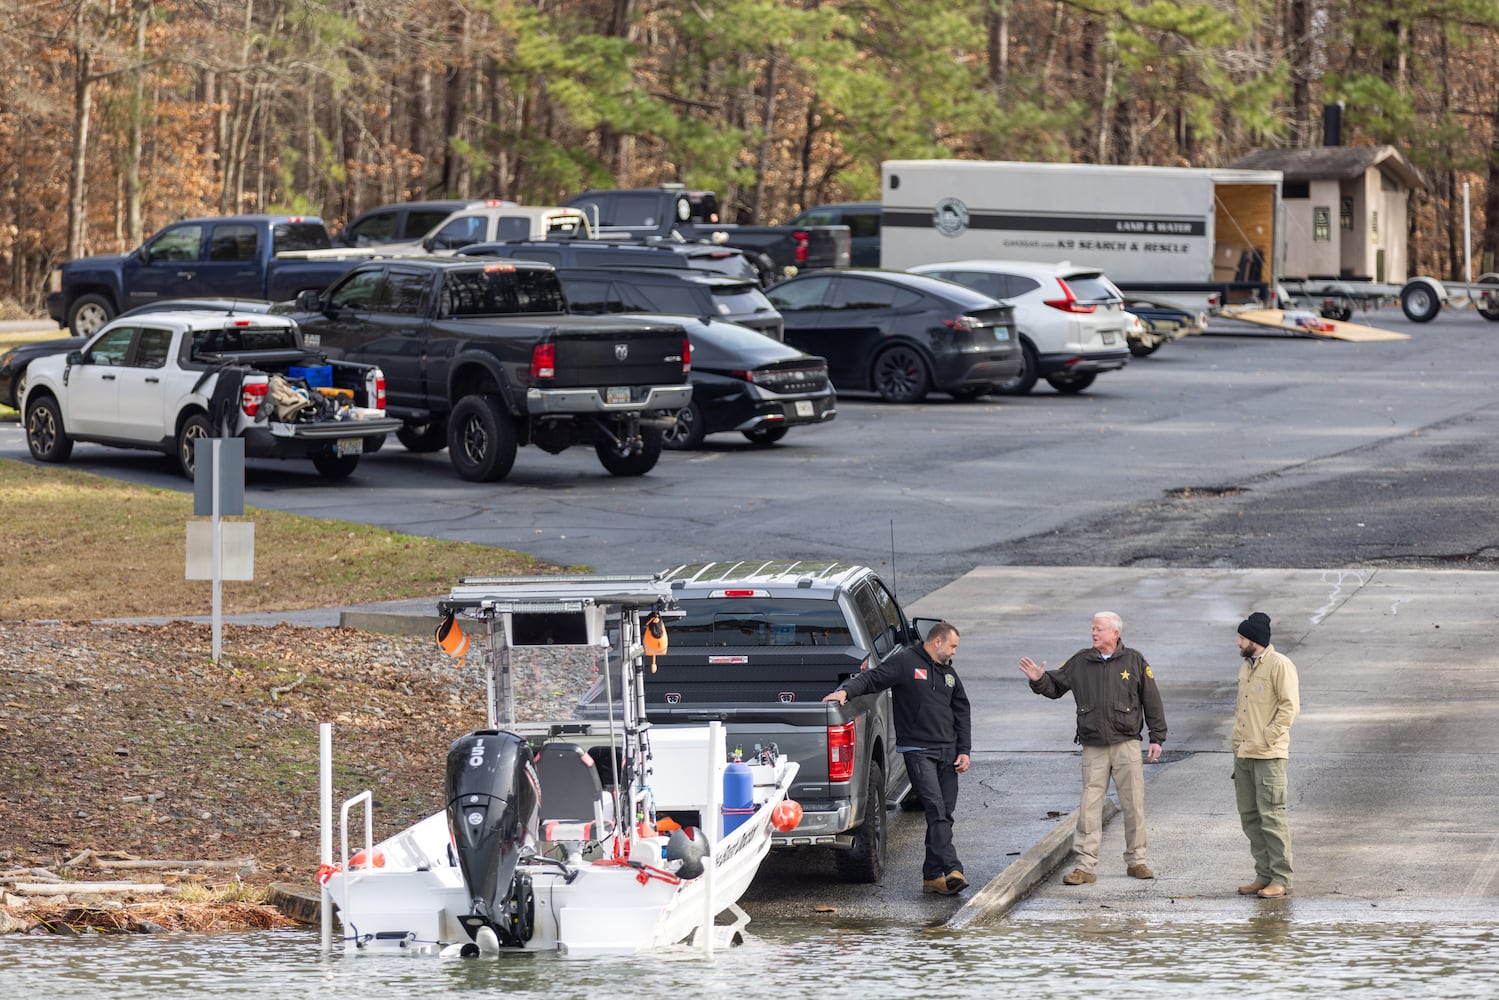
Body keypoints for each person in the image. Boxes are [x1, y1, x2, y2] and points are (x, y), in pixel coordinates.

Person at [823, 621, 972, 895]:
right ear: (937, 641)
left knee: (944, 815)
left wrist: (964, 750)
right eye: (952, 646)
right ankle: (952, 868)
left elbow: (962, 710)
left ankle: (931, 878)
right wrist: (845, 691)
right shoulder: (905, 662)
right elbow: (872, 678)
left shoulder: (949, 673)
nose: (955, 652)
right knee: (936, 809)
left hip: (948, 753)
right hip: (918, 750)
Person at [1019, 611, 1166, 885]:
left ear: (1114, 633)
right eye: (1093, 629)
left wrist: (1157, 737)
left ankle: (1137, 861)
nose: (1094, 633)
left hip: (1127, 745)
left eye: (1099, 629)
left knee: (1134, 805)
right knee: (1089, 807)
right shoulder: (1080, 661)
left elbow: (1152, 700)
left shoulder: (1134, 660)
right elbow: (1054, 686)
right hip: (1094, 746)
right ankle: (1085, 867)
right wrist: (1039, 679)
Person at [1232, 611, 1301, 899]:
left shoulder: (1280, 665)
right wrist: (1238, 743)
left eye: (1242, 637)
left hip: (1269, 756)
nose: (1237, 642)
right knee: (1250, 817)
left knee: (1272, 817)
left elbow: (1289, 707)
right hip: (1244, 754)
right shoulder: (1247, 667)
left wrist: (1268, 737)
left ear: (1255, 641)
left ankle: (1281, 878)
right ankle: (1263, 874)